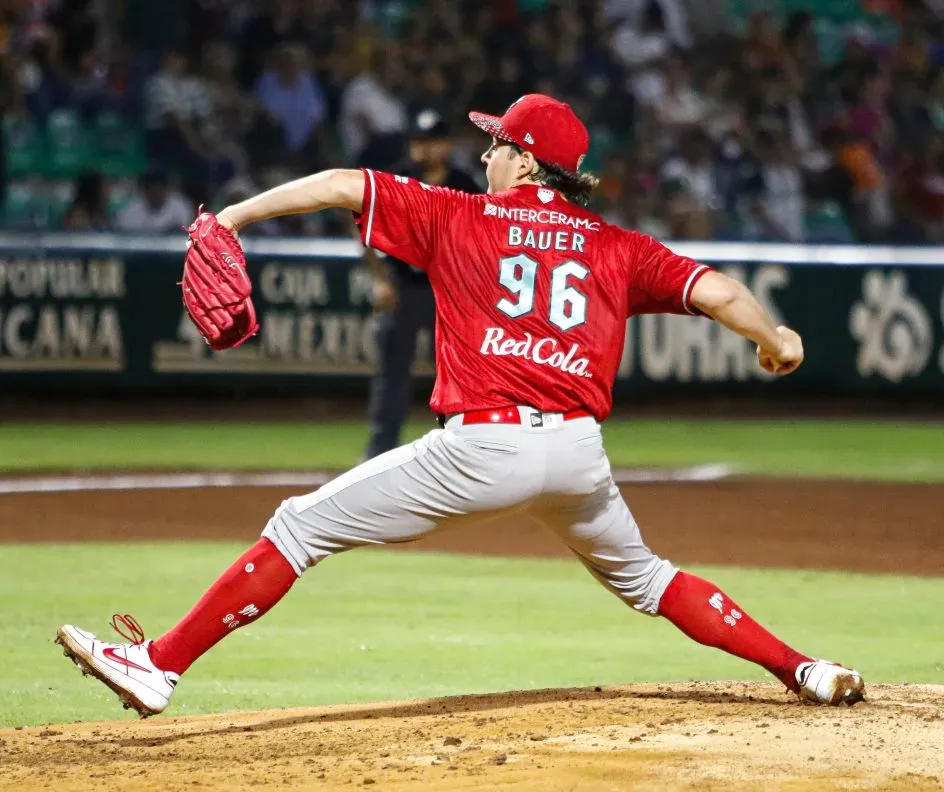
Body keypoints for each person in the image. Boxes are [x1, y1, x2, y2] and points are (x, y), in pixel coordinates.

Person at [56, 94, 864, 717]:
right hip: (579, 458)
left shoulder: (460, 217)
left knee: (300, 526)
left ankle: (158, 664)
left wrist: (231, 216)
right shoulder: (616, 246)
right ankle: (804, 668)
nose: (485, 154)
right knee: (649, 580)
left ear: (523, 159)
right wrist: (778, 338)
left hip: (484, 450)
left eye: (497, 142)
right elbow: (717, 290)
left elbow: (343, 185)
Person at [363, 109, 481, 460]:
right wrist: (381, 280)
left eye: (432, 141)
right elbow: (368, 235)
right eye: (419, 141)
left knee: (457, 374)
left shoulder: (464, 183)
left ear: (447, 145)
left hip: (448, 292)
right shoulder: (398, 180)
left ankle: (462, 449)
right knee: (391, 374)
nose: (424, 149)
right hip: (403, 288)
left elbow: (482, 240)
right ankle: (379, 453)